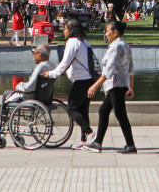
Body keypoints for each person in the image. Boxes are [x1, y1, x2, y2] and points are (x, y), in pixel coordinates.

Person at [84, 20, 136, 154]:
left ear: (115, 32)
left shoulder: (117, 46)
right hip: (119, 84)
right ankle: (98, 143)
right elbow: (131, 68)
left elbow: (108, 71)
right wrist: (130, 87)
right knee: (104, 111)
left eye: (107, 31)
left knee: (120, 114)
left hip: (116, 84)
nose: (105, 33)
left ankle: (130, 145)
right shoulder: (123, 44)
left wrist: (94, 86)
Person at [45, 19, 95, 149]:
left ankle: (90, 132)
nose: (64, 31)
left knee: (71, 108)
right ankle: (84, 141)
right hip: (88, 79)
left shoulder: (72, 42)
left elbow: (65, 62)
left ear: (71, 30)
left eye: (65, 28)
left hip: (81, 81)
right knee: (83, 111)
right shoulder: (84, 41)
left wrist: (51, 74)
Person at [0, 44, 56, 135]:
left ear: (40, 55)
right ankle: (1, 124)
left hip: (31, 97)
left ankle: (0, 125)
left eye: (34, 53)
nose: (33, 55)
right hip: (44, 98)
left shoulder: (40, 67)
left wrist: (19, 85)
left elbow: (29, 87)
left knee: (6, 93)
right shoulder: (52, 65)